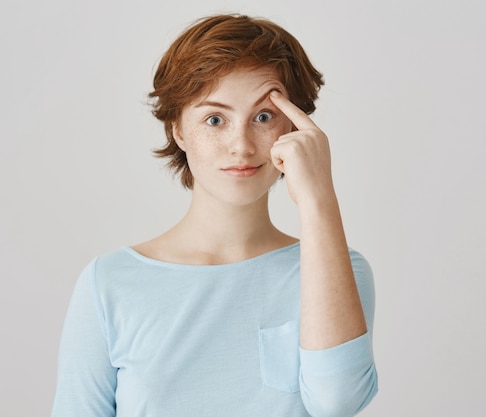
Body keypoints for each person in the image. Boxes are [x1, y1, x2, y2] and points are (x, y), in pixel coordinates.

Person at [51, 13, 378, 417]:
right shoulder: (109, 284)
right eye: (215, 119)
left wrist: (319, 198)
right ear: (179, 130)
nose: (240, 146)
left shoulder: (338, 269)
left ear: (296, 127)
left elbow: (338, 402)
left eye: (263, 116)